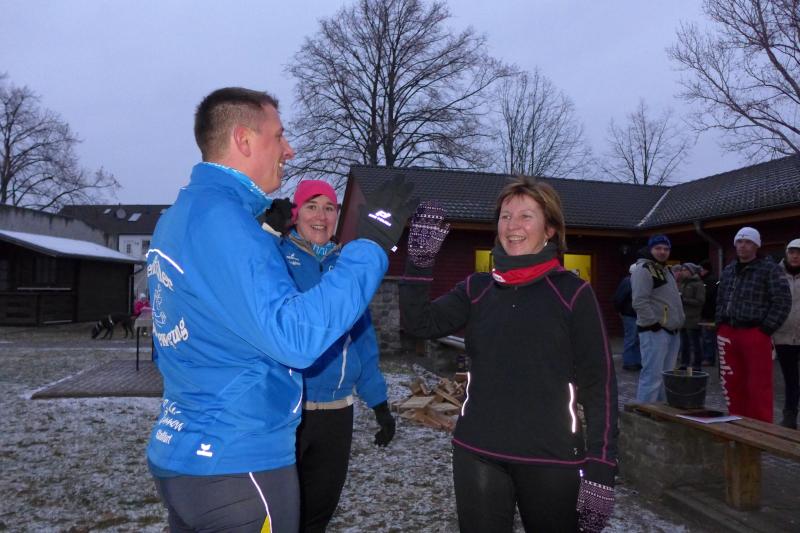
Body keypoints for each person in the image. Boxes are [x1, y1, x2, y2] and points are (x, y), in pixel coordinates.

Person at [144, 87, 415, 532]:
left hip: (187, 456)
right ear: (244, 139)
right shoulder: (227, 224)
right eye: (279, 136)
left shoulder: (182, 215)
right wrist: (370, 245)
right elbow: (295, 338)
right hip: (238, 464)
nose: (289, 150)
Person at [400, 178, 618, 533]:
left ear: (550, 229)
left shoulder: (573, 294)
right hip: (477, 451)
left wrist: (602, 466)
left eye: (526, 216)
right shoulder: (477, 288)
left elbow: (600, 385)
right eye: (505, 216)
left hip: (552, 457)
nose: (512, 226)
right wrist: (419, 263)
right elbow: (419, 323)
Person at [267, 180, 396, 532]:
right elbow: (242, 273)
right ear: (295, 214)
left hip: (337, 413)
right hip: (289, 410)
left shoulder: (347, 265)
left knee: (318, 516)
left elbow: (363, 340)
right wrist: (265, 234)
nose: (321, 216)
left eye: (329, 208)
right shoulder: (276, 256)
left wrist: (379, 404)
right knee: (279, 516)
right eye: (311, 206)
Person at [716, 227, 791, 423]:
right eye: (740, 242)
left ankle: (760, 426)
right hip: (728, 331)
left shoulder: (770, 269)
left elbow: (782, 301)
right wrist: (719, 323)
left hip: (755, 332)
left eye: (748, 242)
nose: (743, 246)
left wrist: (766, 329)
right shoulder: (728, 270)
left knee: (758, 383)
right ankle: (736, 420)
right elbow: (720, 298)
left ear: (756, 245)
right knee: (731, 381)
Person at [631, 234, 685, 403]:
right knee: (652, 376)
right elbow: (639, 301)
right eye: (658, 248)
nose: (662, 252)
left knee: (666, 376)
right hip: (655, 331)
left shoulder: (665, 270)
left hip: (672, 330)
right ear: (650, 249)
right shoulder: (644, 269)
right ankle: (644, 410)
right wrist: (653, 323)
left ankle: (661, 409)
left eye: (666, 249)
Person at [773, 238, 800, 428]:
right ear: (786, 253)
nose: (795, 256)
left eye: (799, 253)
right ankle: (790, 416)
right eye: (792, 252)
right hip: (783, 335)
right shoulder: (775, 274)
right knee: (791, 379)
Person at [613, 264, 641, 371]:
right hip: (630, 314)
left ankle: (636, 361)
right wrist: (620, 311)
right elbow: (618, 298)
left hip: (635, 314)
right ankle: (629, 362)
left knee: (636, 339)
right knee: (631, 338)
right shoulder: (628, 281)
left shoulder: (635, 281)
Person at [678, 263, 705, 372]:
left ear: (691, 271)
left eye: (685, 270)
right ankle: (684, 363)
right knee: (684, 343)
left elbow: (700, 301)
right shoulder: (683, 283)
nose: (682, 272)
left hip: (693, 318)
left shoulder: (698, 284)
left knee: (695, 343)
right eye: (682, 269)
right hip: (683, 318)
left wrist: (684, 300)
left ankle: (697, 365)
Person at [698, 259, 718, 366]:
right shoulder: (707, 280)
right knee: (706, 337)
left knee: (708, 337)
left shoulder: (709, 281)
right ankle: (706, 357)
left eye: (701, 269)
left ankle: (709, 358)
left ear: (706, 269)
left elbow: (707, 296)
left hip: (709, 313)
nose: (699, 271)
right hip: (706, 313)